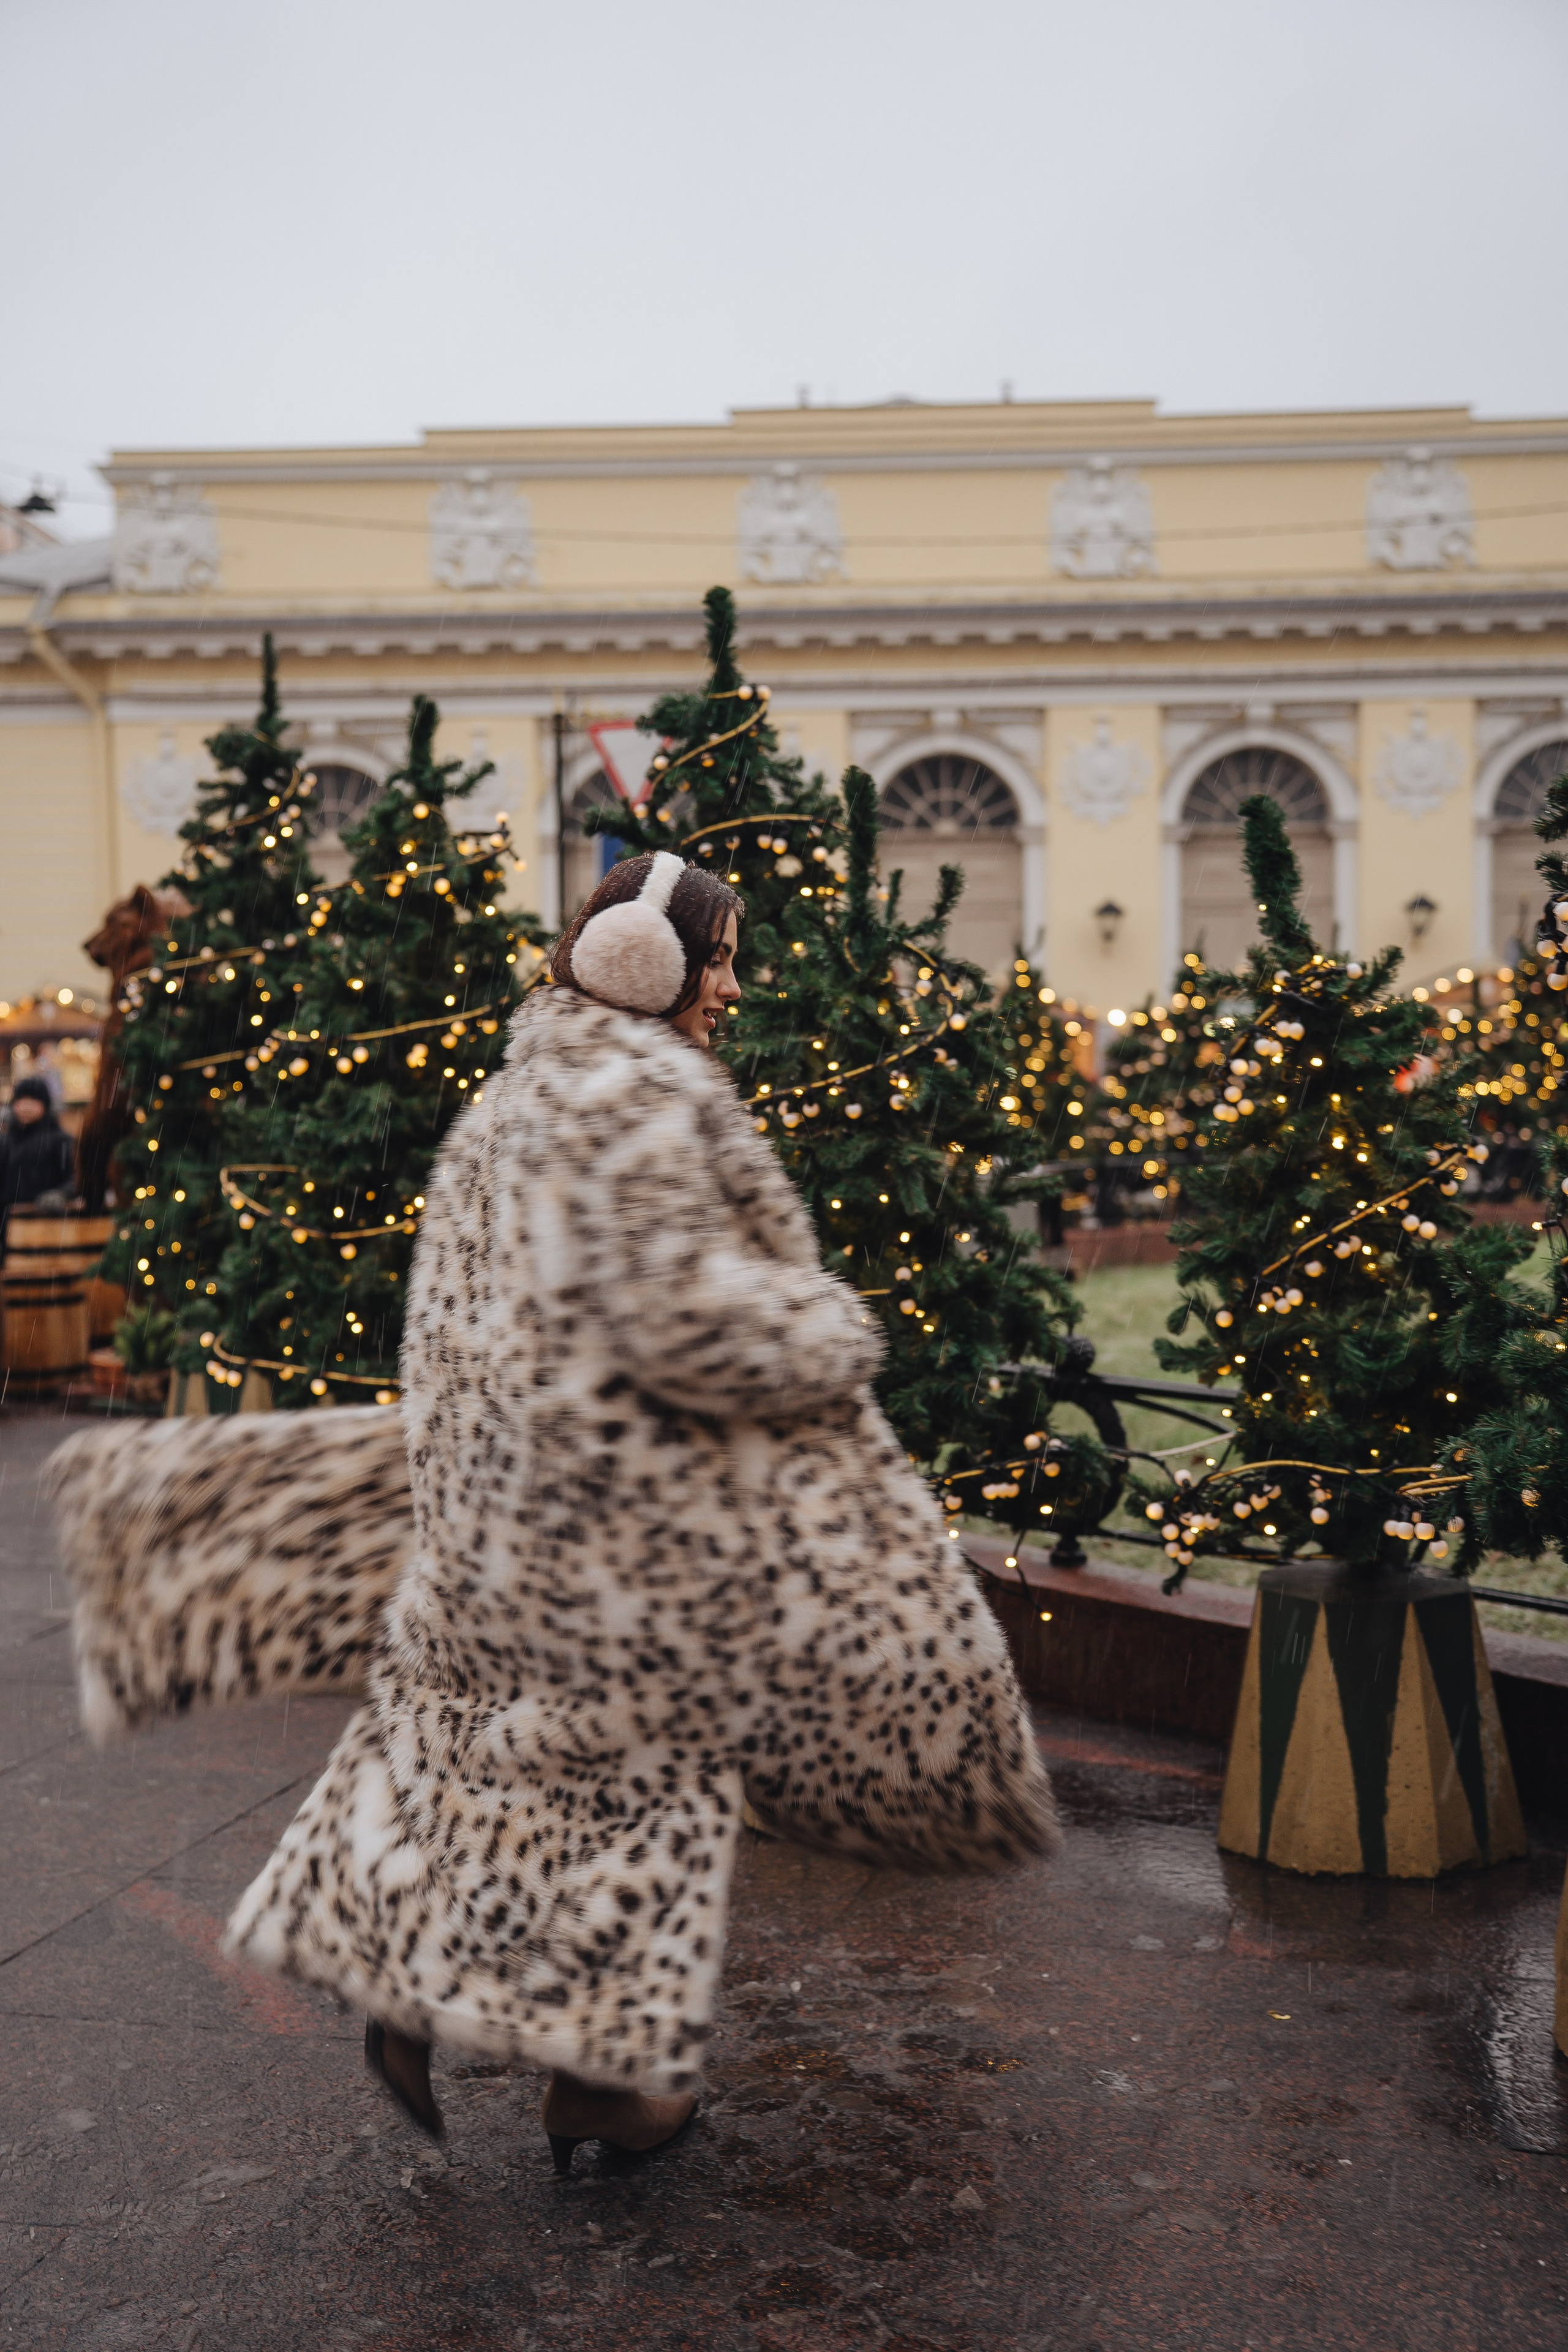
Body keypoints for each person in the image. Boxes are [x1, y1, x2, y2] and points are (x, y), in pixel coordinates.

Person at [51, 850, 1057, 2177]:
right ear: (645, 960)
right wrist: (823, 1326)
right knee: (647, 1792)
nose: (731, 986)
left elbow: (463, 1316)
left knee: (490, 1765)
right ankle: (605, 2088)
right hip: (614, 1531)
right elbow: (677, 1316)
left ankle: (415, 1985)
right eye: (717, 957)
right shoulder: (631, 1092)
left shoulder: (518, 1093)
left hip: (496, 1510)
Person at [0, 1074, 77, 1236]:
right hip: (7, 1227)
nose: (26, 1107)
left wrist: (60, 1195)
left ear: (45, 1105)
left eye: (33, 1101)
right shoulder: (5, 1140)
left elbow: (74, 1179)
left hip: (46, 1226)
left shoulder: (60, 1140)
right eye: (21, 1100)